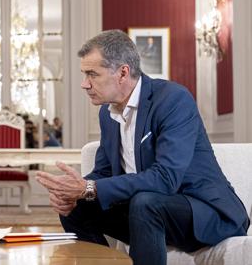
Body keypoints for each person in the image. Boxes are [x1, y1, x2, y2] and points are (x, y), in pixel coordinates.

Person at [35, 30, 249, 265]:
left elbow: (166, 178)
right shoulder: (108, 115)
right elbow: (104, 173)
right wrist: (72, 190)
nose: (84, 84)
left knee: (145, 202)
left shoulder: (173, 100)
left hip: (205, 212)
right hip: (149, 213)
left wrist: (89, 187)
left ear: (123, 73)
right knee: (78, 208)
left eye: (92, 74)